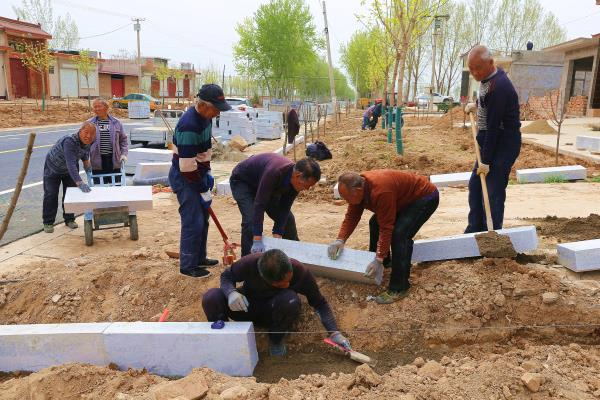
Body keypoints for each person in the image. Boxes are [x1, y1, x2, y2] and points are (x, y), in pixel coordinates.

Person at [202, 249, 351, 356]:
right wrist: (231, 293)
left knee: (290, 299)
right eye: (280, 284)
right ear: (264, 278)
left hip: (274, 313)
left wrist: (334, 333)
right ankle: (223, 341)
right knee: (211, 297)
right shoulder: (250, 263)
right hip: (245, 307)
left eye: (288, 280)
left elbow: (320, 303)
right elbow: (227, 276)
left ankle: (276, 340)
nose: (286, 284)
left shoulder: (300, 271)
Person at [327, 170, 439, 304]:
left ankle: (399, 287)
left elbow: (387, 227)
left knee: (400, 235)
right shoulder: (358, 189)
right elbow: (352, 216)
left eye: (347, 198)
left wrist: (378, 258)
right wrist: (340, 239)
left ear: (358, 190)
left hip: (424, 197)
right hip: (402, 198)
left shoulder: (381, 191)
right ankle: (386, 263)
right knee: (374, 223)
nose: (346, 201)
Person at [169, 84, 231, 278]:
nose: (218, 113)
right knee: (192, 221)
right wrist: (200, 186)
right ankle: (188, 265)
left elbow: (205, 151)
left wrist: (208, 172)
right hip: (186, 177)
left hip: (199, 173)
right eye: (216, 109)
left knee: (202, 219)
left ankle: (199, 258)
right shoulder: (190, 125)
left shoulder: (206, 118)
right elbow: (186, 166)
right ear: (203, 105)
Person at [464, 45, 521, 233]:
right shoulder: (489, 79)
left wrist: (486, 161)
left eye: (477, 68)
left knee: (493, 190)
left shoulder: (500, 87)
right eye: (471, 69)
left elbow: (494, 127)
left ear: (490, 63)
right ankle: (475, 229)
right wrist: (477, 105)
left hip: (503, 143)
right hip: (489, 139)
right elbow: (487, 105)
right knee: (476, 185)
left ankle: (493, 232)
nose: (474, 73)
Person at [229, 154, 321, 256]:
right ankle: (247, 262)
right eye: (306, 186)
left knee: (288, 220)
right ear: (298, 176)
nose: (307, 189)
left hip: (266, 185)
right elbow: (260, 204)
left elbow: (285, 207)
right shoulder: (275, 171)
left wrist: (278, 232)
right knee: (251, 221)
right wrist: (257, 239)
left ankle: (293, 256)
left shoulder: (294, 181)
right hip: (243, 182)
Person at [42, 122, 96, 233]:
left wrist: (87, 166)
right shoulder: (69, 141)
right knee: (51, 194)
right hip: (53, 167)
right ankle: (48, 222)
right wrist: (79, 182)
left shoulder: (89, 141)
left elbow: (85, 153)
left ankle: (69, 219)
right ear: (80, 131)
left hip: (69, 170)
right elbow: (70, 163)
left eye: (92, 134)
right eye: (86, 133)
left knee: (70, 194)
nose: (88, 136)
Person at [88, 98, 128, 184]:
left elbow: (123, 140)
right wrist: (85, 158)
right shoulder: (90, 123)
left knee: (116, 185)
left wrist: (124, 154)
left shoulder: (116, 123)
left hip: (113, 159)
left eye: (99, 106)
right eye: (95, 107)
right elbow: (84, 142)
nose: (97, 109)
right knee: (100, 186)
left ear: (106, 107)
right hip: (97, 159)